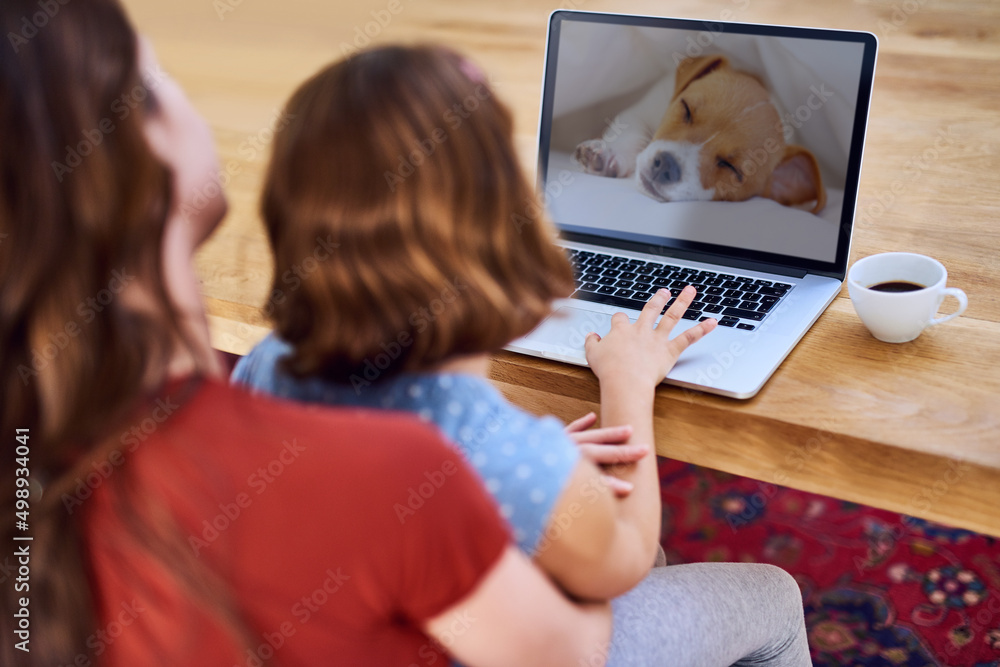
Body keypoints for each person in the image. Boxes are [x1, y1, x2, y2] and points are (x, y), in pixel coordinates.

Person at [0, 2, 614, 665]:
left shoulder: (35, 471)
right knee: (738, 591)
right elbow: (571, 651)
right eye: (154, 78)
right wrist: (517, 518)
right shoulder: (398, 474)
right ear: (138, 149)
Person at [233, 44, 813, 666]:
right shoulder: (498, 451)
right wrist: (628, 381)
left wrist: (539, 472)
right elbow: (627, 557)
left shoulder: (265, 364)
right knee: (770, 596)